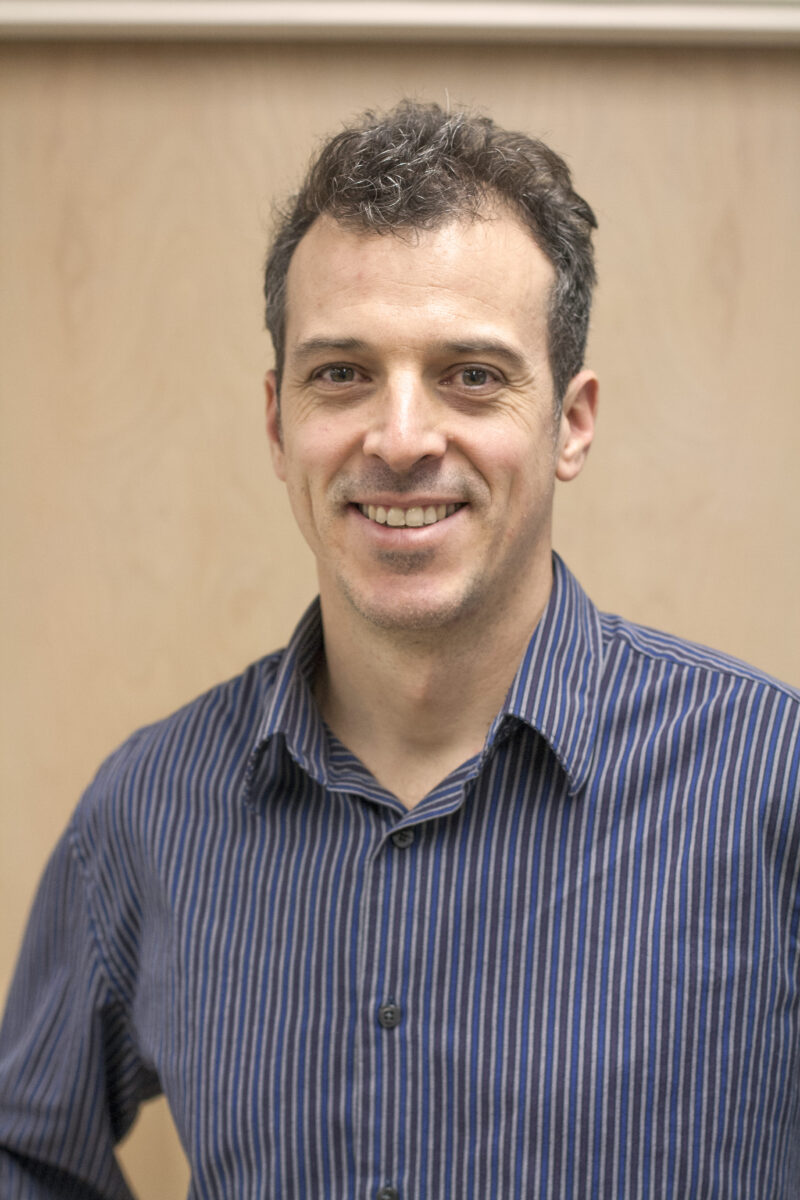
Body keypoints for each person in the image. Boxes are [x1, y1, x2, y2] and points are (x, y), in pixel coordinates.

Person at [1, 100, 798, 1200]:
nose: (401, 436)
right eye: (343, 374)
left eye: (471, 374)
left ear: (569, 422)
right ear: (279, 424)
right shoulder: (146, 810)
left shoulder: (771, 784)